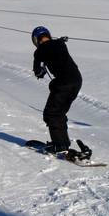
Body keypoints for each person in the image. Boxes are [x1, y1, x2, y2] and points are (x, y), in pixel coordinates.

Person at [32, 26, 82, 154]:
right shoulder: (60, 43)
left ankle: (59, 144)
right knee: (59, 112)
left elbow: (38, 71)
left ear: (36, 40)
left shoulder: (39, 52)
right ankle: (63, 143)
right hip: (76, 81)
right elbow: (55, 48)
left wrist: (41, 71)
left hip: (64, 83)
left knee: (51, 113)